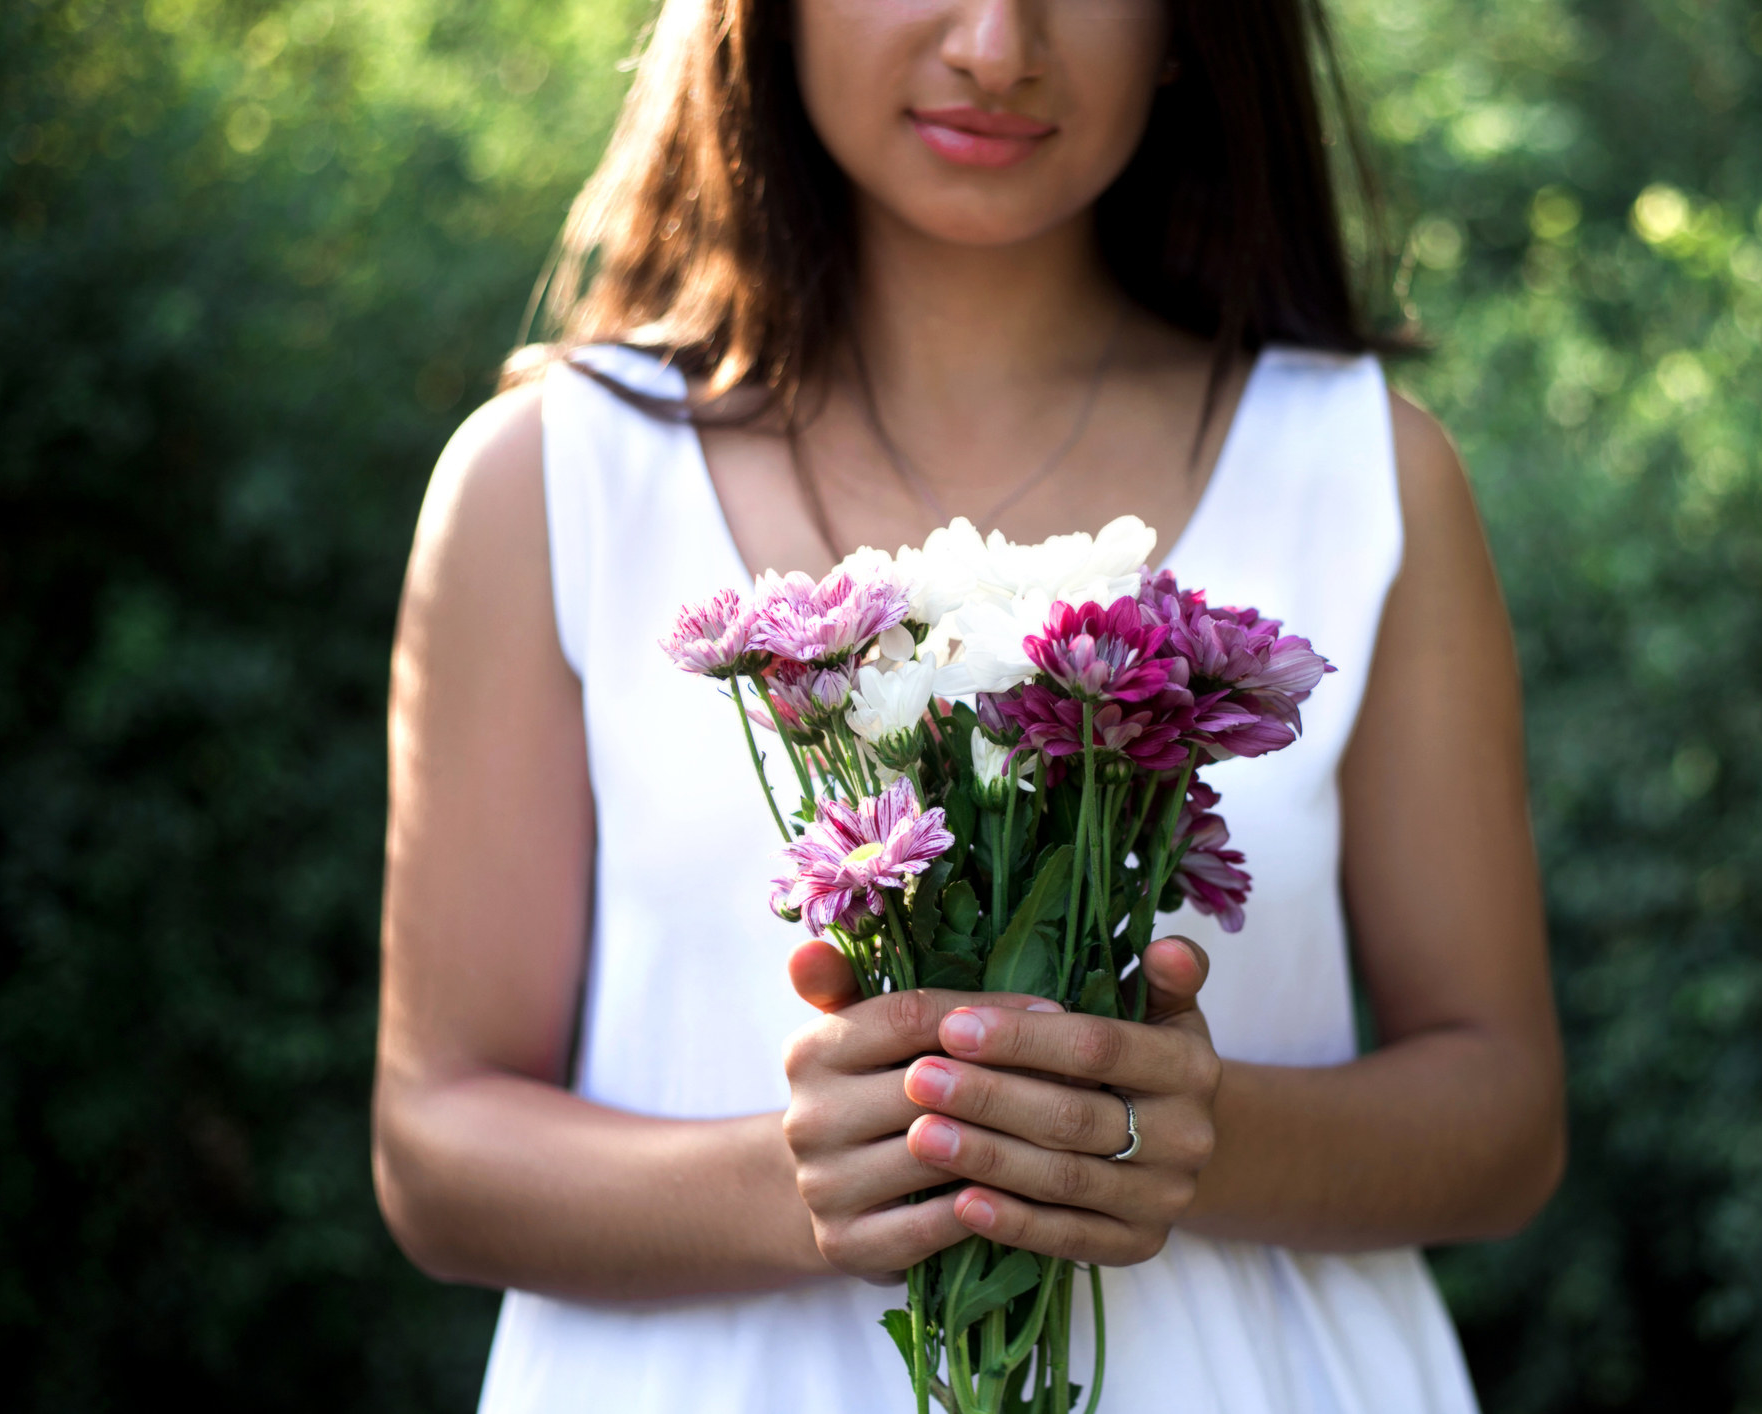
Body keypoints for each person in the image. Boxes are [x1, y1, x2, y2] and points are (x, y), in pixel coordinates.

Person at [373, 1, 1565, 1409]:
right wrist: (795, 1178)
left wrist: (1199, 1137)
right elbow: (434, 1150)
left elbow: (1502, 1118)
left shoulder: (1362, 465)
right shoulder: (553, 475)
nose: (997, 44)